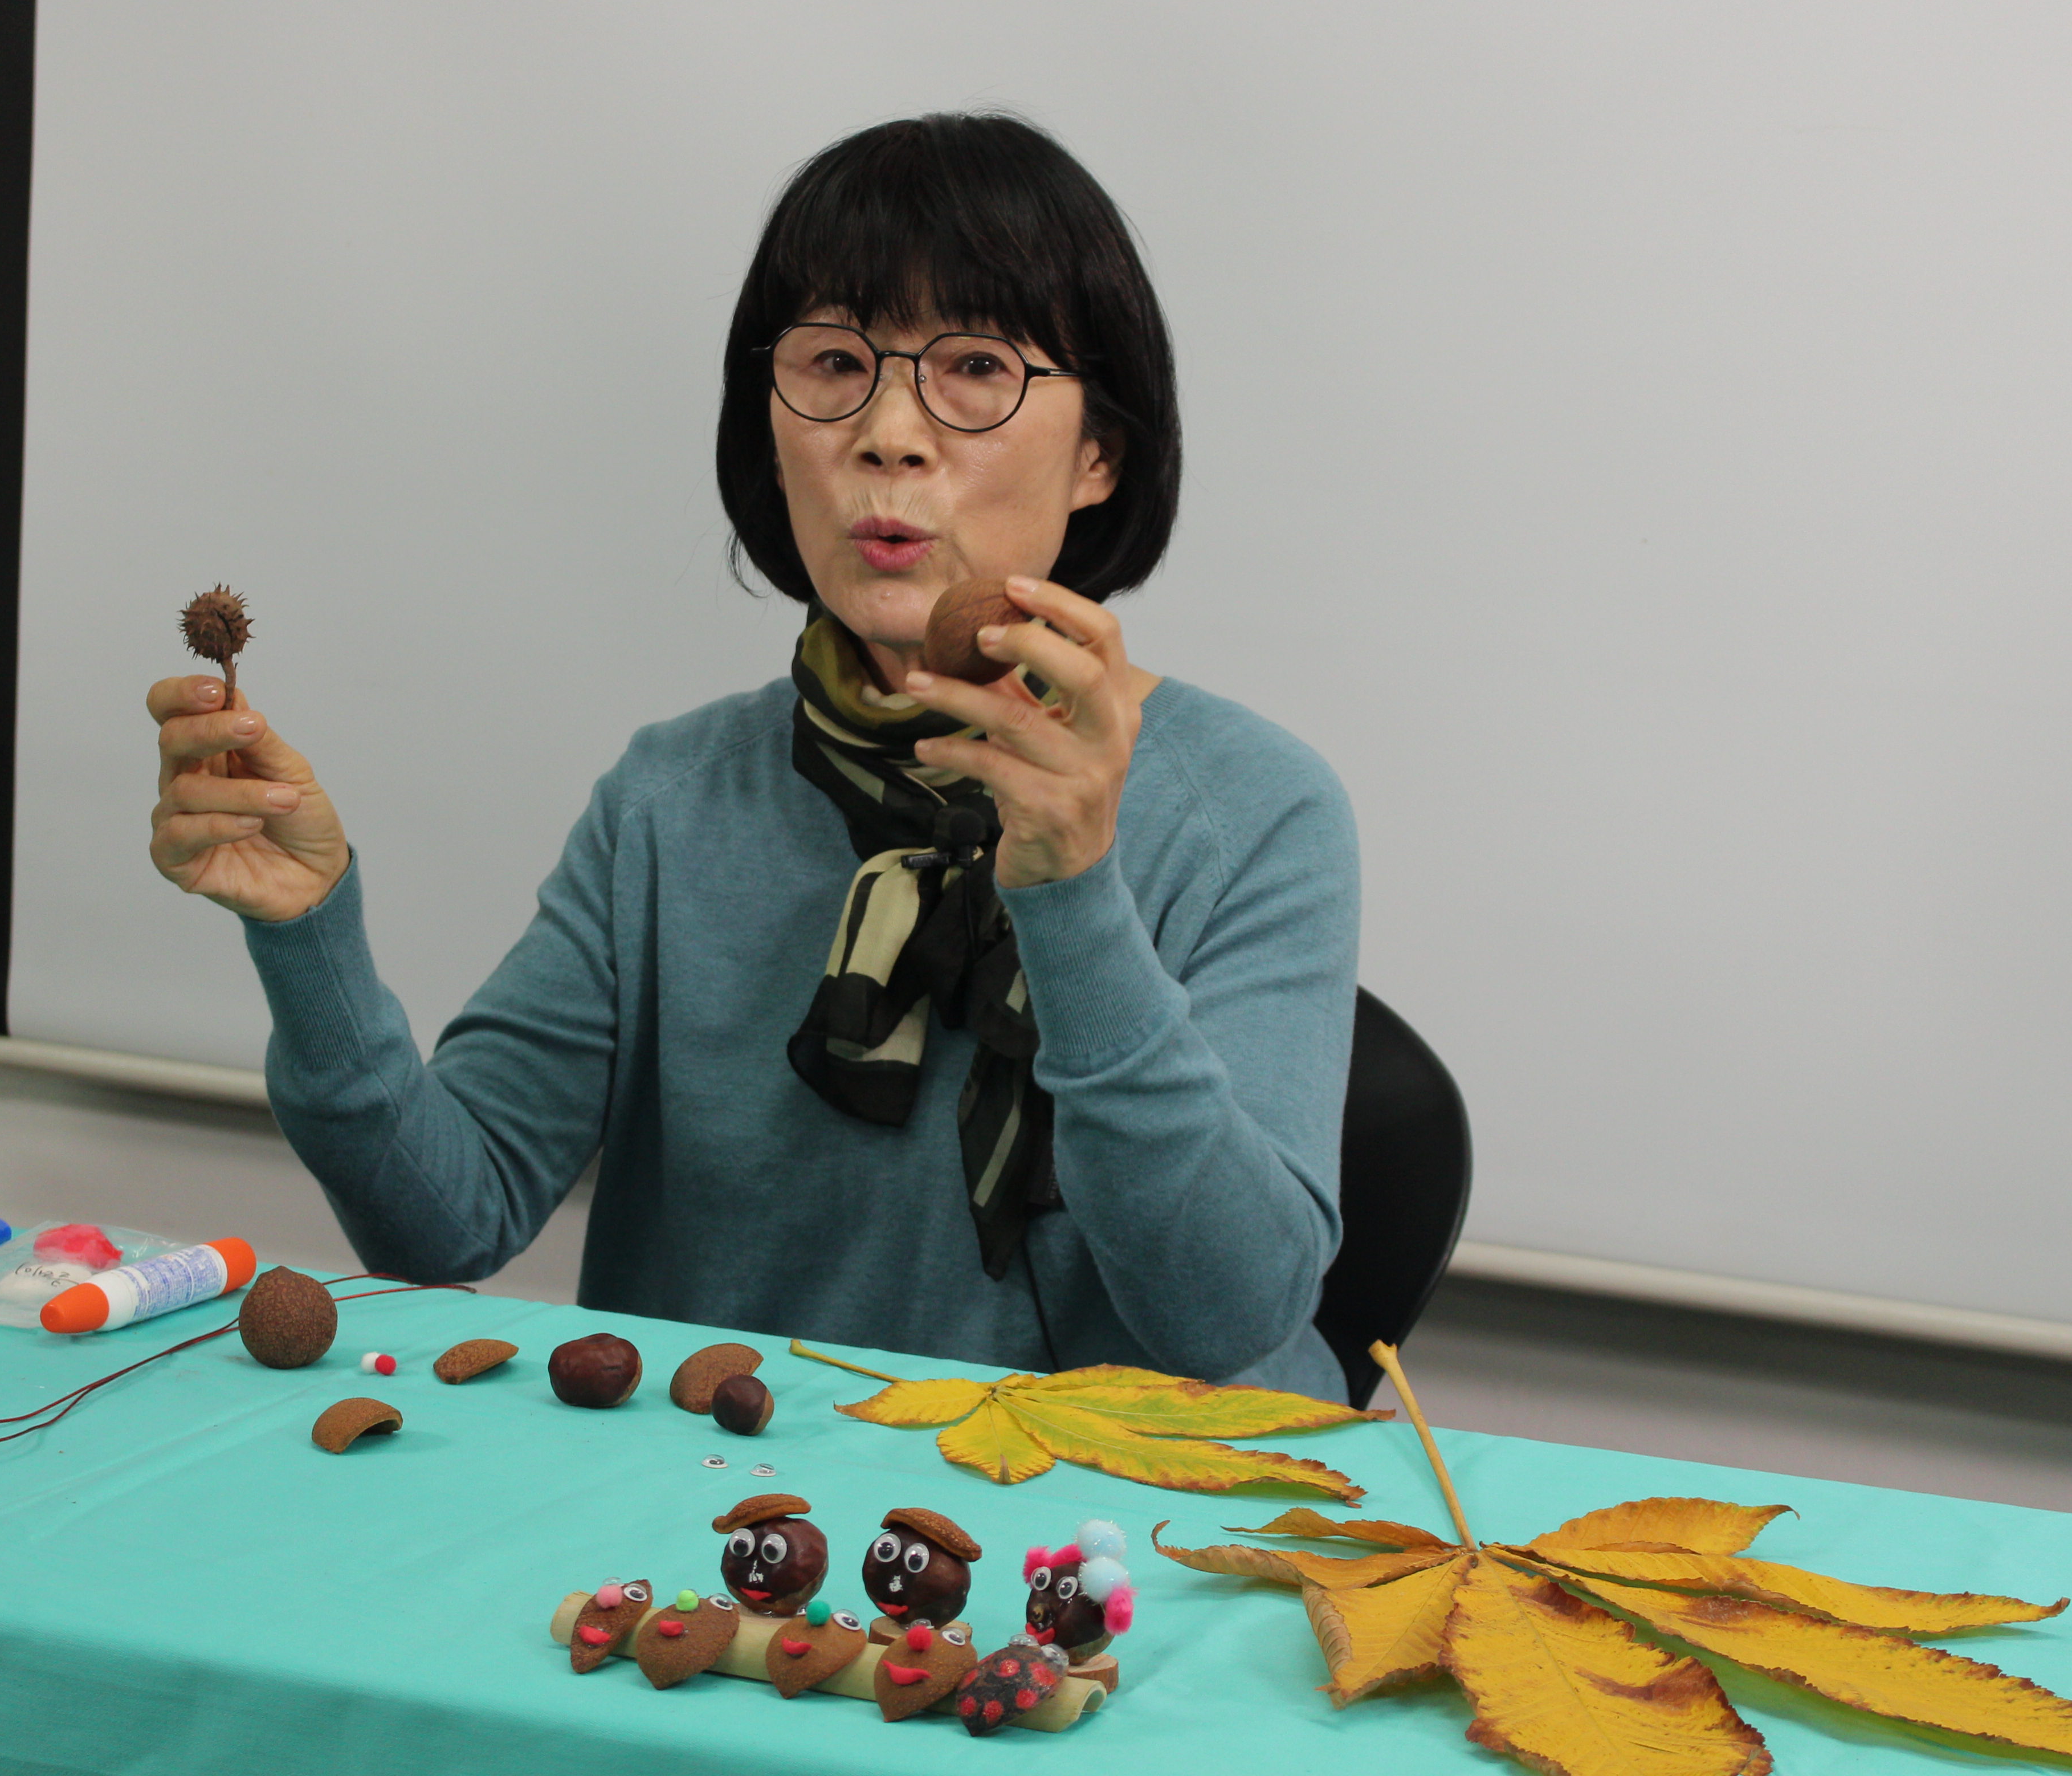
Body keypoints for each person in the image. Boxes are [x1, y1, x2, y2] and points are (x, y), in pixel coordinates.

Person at [143, 114, 1361, 1398]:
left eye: (977, 369)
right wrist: (308, 935)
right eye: (835, 363)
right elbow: (444, 1222)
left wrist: (1072, 895)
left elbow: (1229, 1316)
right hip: (727, 1482)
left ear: (1100, 453)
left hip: (1096, 1504)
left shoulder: (1256, 809)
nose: (890, 435)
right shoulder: (671, 801)